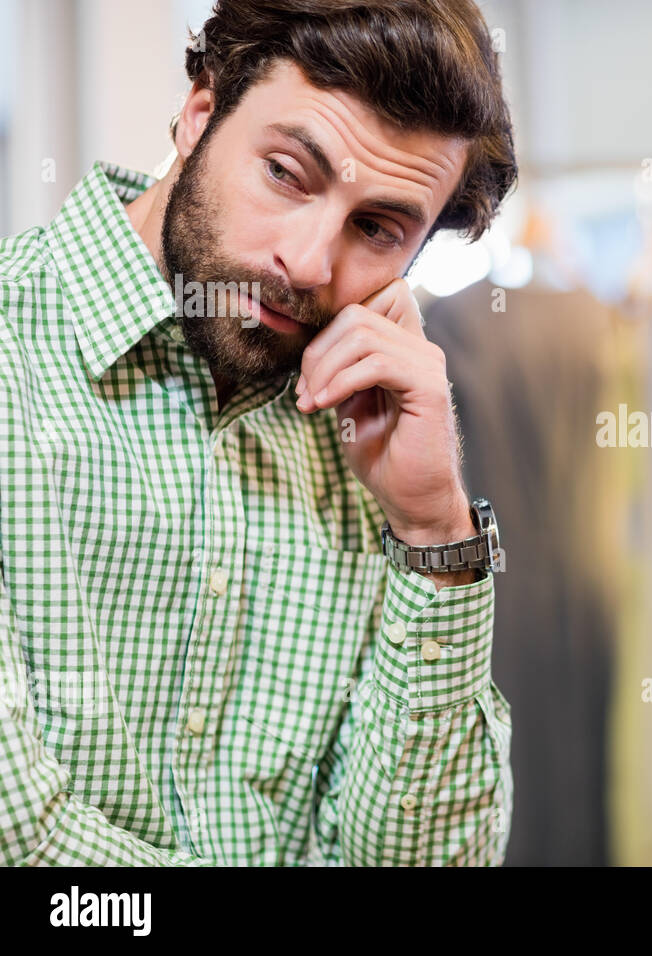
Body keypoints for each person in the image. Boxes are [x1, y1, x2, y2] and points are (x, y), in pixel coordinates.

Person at [0, 0, 517, 865]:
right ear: (200, 115)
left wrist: (432, 531)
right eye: (287, 172)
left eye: (377, 228)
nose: (310, 263)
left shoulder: (374, 445)